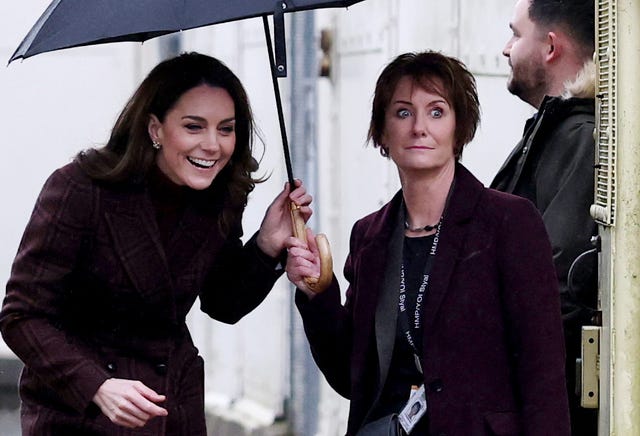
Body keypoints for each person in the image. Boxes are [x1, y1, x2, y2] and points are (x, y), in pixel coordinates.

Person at [0, 52, 312, 435]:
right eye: (194, 127)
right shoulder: (81, 188)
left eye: (226, 129)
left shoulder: (218, 195)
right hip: (82, 416)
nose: (213, 145)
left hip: (172, 410)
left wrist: (267, 244)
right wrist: (98, 385)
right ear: (155, 128)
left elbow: (223, 303)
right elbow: (21, 316)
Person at [285, 51, 570, 435]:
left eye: (437, 112)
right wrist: (318, 294)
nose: (420, 127)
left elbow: (542, 372)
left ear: (459, 128)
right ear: (382, 133)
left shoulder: (508, 222)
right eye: (403, 113)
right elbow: (351, 378)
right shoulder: (370, 235)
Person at [491, 1, 598, 433]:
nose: (506, 48)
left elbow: (553, 282)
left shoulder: (580, 137)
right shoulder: (557, 128)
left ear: (550, 47)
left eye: (516, 34)